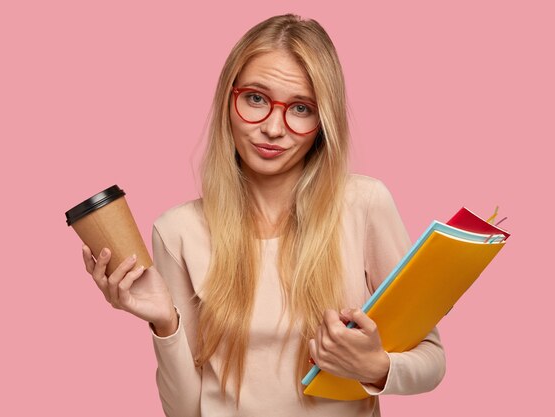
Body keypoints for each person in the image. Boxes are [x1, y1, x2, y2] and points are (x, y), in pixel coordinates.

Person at [82, 14, 445, 417]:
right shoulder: (176, 232)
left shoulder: (365, 205)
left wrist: (377, 368)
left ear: (323, 122)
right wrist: (165, 324)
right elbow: (185, 411)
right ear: (228, 99)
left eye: (301, 108)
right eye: (256, 98)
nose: (273, 128)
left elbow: (431, 359)